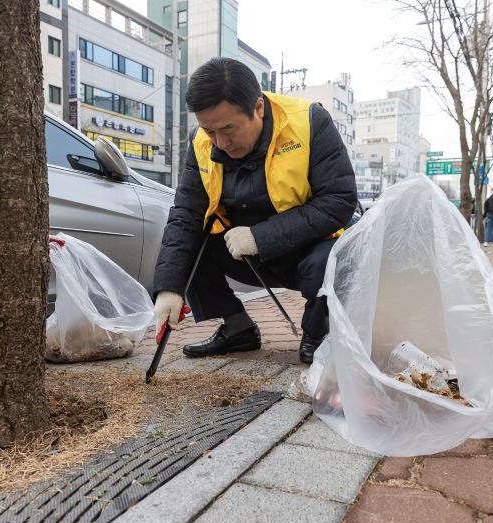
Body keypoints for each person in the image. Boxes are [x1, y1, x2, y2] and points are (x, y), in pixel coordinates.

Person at [152, 58, 357, 365]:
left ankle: (319, 334)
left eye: (229, 129)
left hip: (308, 249)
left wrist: (260, 236)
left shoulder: (308, 122)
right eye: (210, 131)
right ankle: (238, 329)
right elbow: (186, 214)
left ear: (258, 108)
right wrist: (168, 287)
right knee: (191, 248)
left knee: (331, 259)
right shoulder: (201, 144)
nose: (220, 142)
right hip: (246, 256)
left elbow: (339, 200)